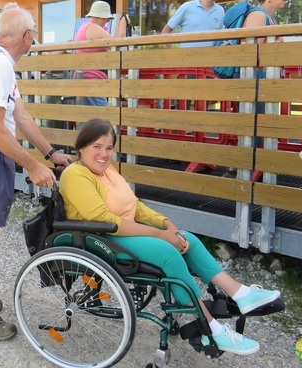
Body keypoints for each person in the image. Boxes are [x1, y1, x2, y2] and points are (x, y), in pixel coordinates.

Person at [59, 118, 281, 355]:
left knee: (188, 239)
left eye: (109, 148)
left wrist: (167, 225)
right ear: (81, 147)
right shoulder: (75, 175)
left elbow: (135, 206)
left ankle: (241, 294)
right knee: (167, 253)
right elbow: (105, 219)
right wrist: (161, 236)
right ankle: (210, 330)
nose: (104, 154)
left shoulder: (107, 171)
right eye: (97, 146)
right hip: (99, 238)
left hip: (120, 232)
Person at [0, 7, 72, 341]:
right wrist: (33, 166)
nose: (34, 37)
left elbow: (21, 117)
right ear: (26, 36)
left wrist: (50, 154)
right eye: (34, 31)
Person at [223, 0, 290, 178]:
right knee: (255, 129)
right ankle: (245, 174)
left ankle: (245, 171)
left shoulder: (267, 17)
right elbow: (248, 52)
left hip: (258, 83)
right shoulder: (259, 16)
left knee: (256, 130)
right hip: (253, 83)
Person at [73, 0, 128, 106]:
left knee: (91, 120)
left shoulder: (84, 27)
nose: (106, 23)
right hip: (92, 81)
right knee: (102, 119)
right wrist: (123, 22)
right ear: (102, 17)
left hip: (85, 79)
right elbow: (117, 42)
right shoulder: (92, 27)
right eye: (106, 19)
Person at [161, 0, 225, 48]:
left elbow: (221, 38)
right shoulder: (187, 7)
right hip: (187, 58)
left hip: (211, 58)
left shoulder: (220, 11)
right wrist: (173, 54)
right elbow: (165, 31)